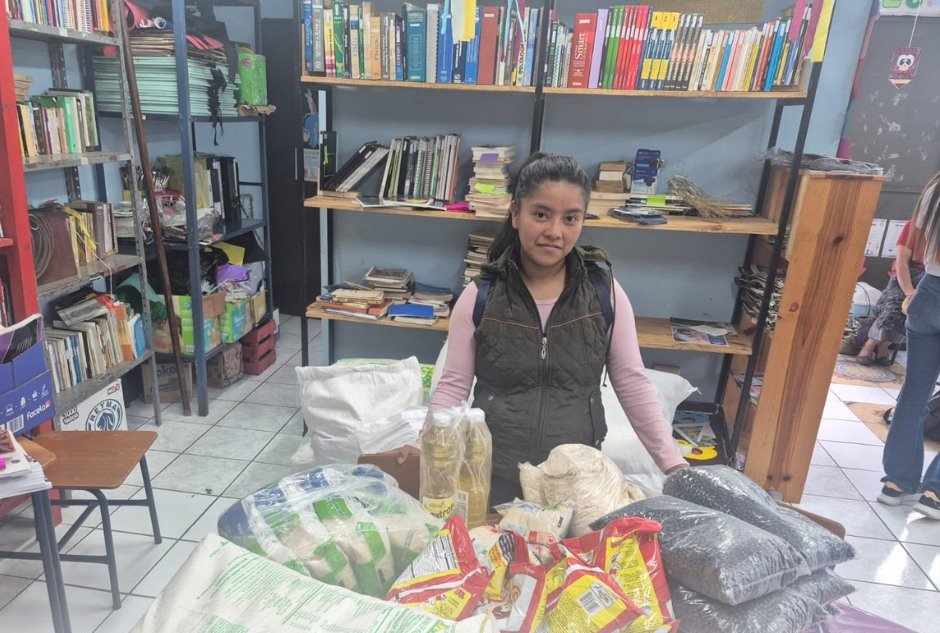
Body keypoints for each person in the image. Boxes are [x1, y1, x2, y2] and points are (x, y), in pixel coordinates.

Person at [428, 153, 689, 505]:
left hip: (577, 485)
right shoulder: (481, 296)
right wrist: (424, 446)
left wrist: (675, 466)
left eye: (570, 218)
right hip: (492, 479)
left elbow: (631, 381)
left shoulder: (604, 293)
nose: (554, 232)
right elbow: (453, 387)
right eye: (541, 214)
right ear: (515, 214)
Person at [879, 171, 940, 519]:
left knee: (914, 394)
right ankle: (935, 492)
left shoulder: (934, 187)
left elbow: (918, 239)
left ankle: (897, 483)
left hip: (928, 291)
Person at [856, 219, 926, 366]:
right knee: (893, 308)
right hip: (906, 276)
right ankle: (869, 345)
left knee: (910, 313)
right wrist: (909, 291)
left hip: (929, 281)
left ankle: (883, 347)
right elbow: (901, 262)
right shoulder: (914, 225)